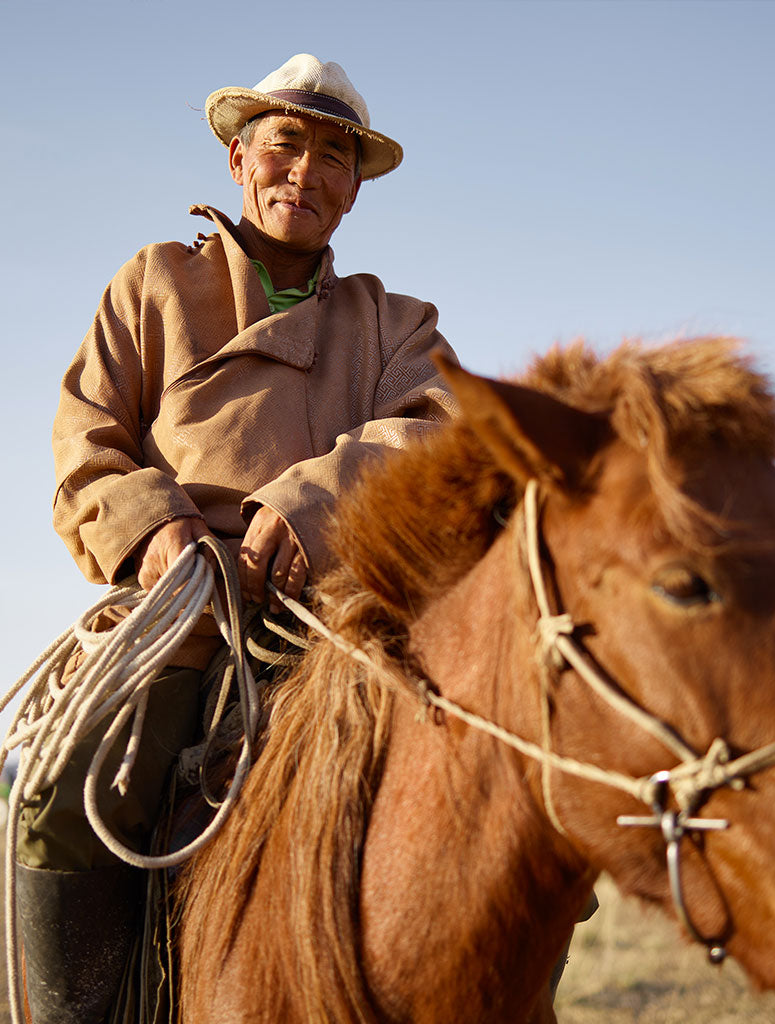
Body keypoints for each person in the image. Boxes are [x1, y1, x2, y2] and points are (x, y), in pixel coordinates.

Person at [16, 54, 457, 1024]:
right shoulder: (154, 284)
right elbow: (84, 440)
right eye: (285, 144)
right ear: (237, 161)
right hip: (178, 609)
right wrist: (156, 527)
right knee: (60, 800)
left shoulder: (392, 323)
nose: (305, 170)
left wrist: (315, 503)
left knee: (481, 804)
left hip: (343, 613)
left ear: (353, 192)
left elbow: (439, 429)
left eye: (333, 156)